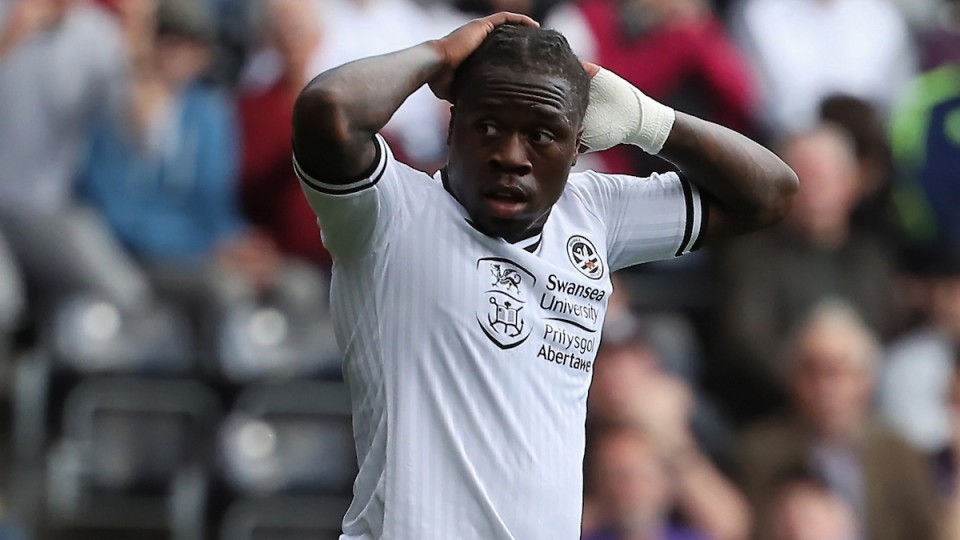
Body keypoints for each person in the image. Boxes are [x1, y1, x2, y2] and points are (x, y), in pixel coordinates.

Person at [291, 13, 797, 539]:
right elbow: (328, 110)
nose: (511, 156)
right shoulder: (388, 214)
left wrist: (646, 122)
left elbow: (771, 194)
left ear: (578, 147)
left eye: (541, 135)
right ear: (451, 125)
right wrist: (438, 55)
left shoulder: (594, 214)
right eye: (487, 125)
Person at [738, 301, 938, 540]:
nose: (824, 388)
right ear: (791, 378)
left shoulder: (899, 454)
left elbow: (927, 532)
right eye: (811, 371)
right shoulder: (759, 454)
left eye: (837, 372)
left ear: (866, 380)